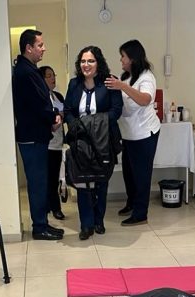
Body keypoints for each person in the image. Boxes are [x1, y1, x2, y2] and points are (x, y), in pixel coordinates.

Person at [64, 46, 123, 240]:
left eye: (90, 61)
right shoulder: (74, 84)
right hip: (80, 141)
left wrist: (93, 123)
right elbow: (68, 111)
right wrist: (77, 125)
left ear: (98, 63)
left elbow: (116, 110)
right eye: (83, 61)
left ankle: (99, 221)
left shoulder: (109, 82)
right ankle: (86, 225)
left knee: (101, 182)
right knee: (83, 182)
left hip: (104, 140)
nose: (86, 65)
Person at [12, 29, 64, 241]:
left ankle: (42, 223)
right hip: (32, 137)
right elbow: (38, 105)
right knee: (38, 183)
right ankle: (40, 227)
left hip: (35, 134)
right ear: (28, 48)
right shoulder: (26, 72)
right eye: (40, 45)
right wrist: (54, 118)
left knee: (40, 182)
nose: (44, 48)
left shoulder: (27, 69)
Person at [106, 39, 161, 226]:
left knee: (141, 175)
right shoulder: (127, 77)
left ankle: (140, 213)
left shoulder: (146, 77)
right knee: (129, 173)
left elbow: (145, 100)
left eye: (123, 56)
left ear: (133, 58)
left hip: (144, 134)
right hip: (128, 133)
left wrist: (122, 86)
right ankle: (131, 203)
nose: (121, 60)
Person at [39, 65, 66, 221]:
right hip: (47, 144)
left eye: (53, 75)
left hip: (58, 143)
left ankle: (51, 205)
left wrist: (62, 115)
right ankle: (55, 208)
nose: (52, 78)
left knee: (55, 176)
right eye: (48, 76)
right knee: (49, 178)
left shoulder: (58, 96)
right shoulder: (41, 97)